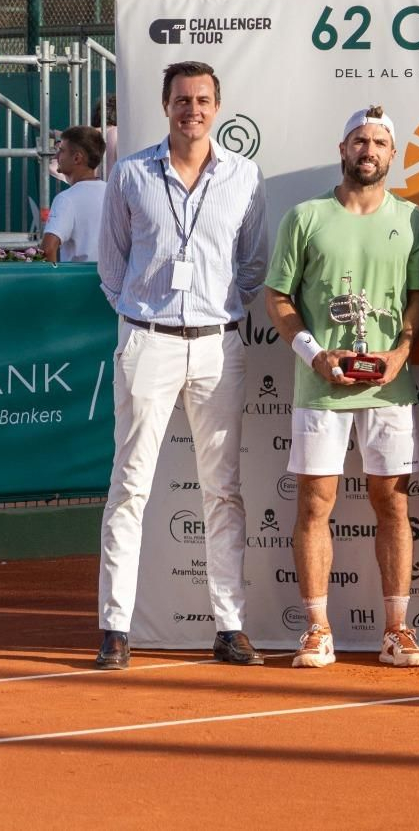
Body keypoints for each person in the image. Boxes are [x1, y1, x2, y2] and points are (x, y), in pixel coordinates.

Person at [93, 60, 268, 670]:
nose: (192, 109)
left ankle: (230, 626)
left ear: (218, 107)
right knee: (130, 487)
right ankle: (116, 627)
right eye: (181, 100)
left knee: (222, 490)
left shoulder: (245, 176)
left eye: (202, 100)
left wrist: (213, 314)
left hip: (218, 344)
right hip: (148, 341)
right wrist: (145, 317)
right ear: (165, 105)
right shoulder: (132, 174)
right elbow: (111, 266)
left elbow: (252, 266)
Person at [265, 105, 419, 670]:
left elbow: (415, 300)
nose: (369, 151)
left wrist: (400, 353)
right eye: (359, 141)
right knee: (315, 504)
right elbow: (278, 297)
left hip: (390, 388)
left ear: (392, 153)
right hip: (322, 389)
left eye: (380, 143)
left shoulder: (411, 219)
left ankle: (398, 630)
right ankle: (317, 629)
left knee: (394, 504)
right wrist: (314, 354)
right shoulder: (304, 217)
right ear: (343, 150)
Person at [43, 126, 107, 263]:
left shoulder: (66, 199)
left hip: (78, 282)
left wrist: (52, 283)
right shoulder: (113, 193)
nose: (56, 156)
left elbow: (48, 249)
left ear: (77, 158)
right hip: (115, 280)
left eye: (61, 150)